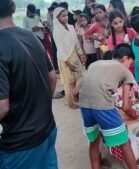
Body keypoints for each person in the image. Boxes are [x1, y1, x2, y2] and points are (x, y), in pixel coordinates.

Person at [0, 0, 58, 168]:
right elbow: (52, 77)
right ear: (12, 8)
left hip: (21, 142)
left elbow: (2, 107)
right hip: (47, 127)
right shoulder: (31, 37)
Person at [75, 43, 138, 169]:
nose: (129, 67)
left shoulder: (95, 64)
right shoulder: (125, 71)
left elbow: (75, 92)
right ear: (125, 59)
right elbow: (126, 107)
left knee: (94, 141)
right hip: (103, 107)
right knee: (125, 143)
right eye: (130, 64)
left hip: (85, 106)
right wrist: (134, 114)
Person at [53, 7, 86, 109]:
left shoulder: (71, 27)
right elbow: (60, 48)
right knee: (69, 82)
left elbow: (76, 42)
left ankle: (76, 98)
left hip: (74, 56)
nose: (66, 17)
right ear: (57, 18)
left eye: (66, 15)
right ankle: (71, 103)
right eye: (63, 16)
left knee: (78, 77)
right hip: (65, 59)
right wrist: (68, 63)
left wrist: (81, 54)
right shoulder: (57, 31)